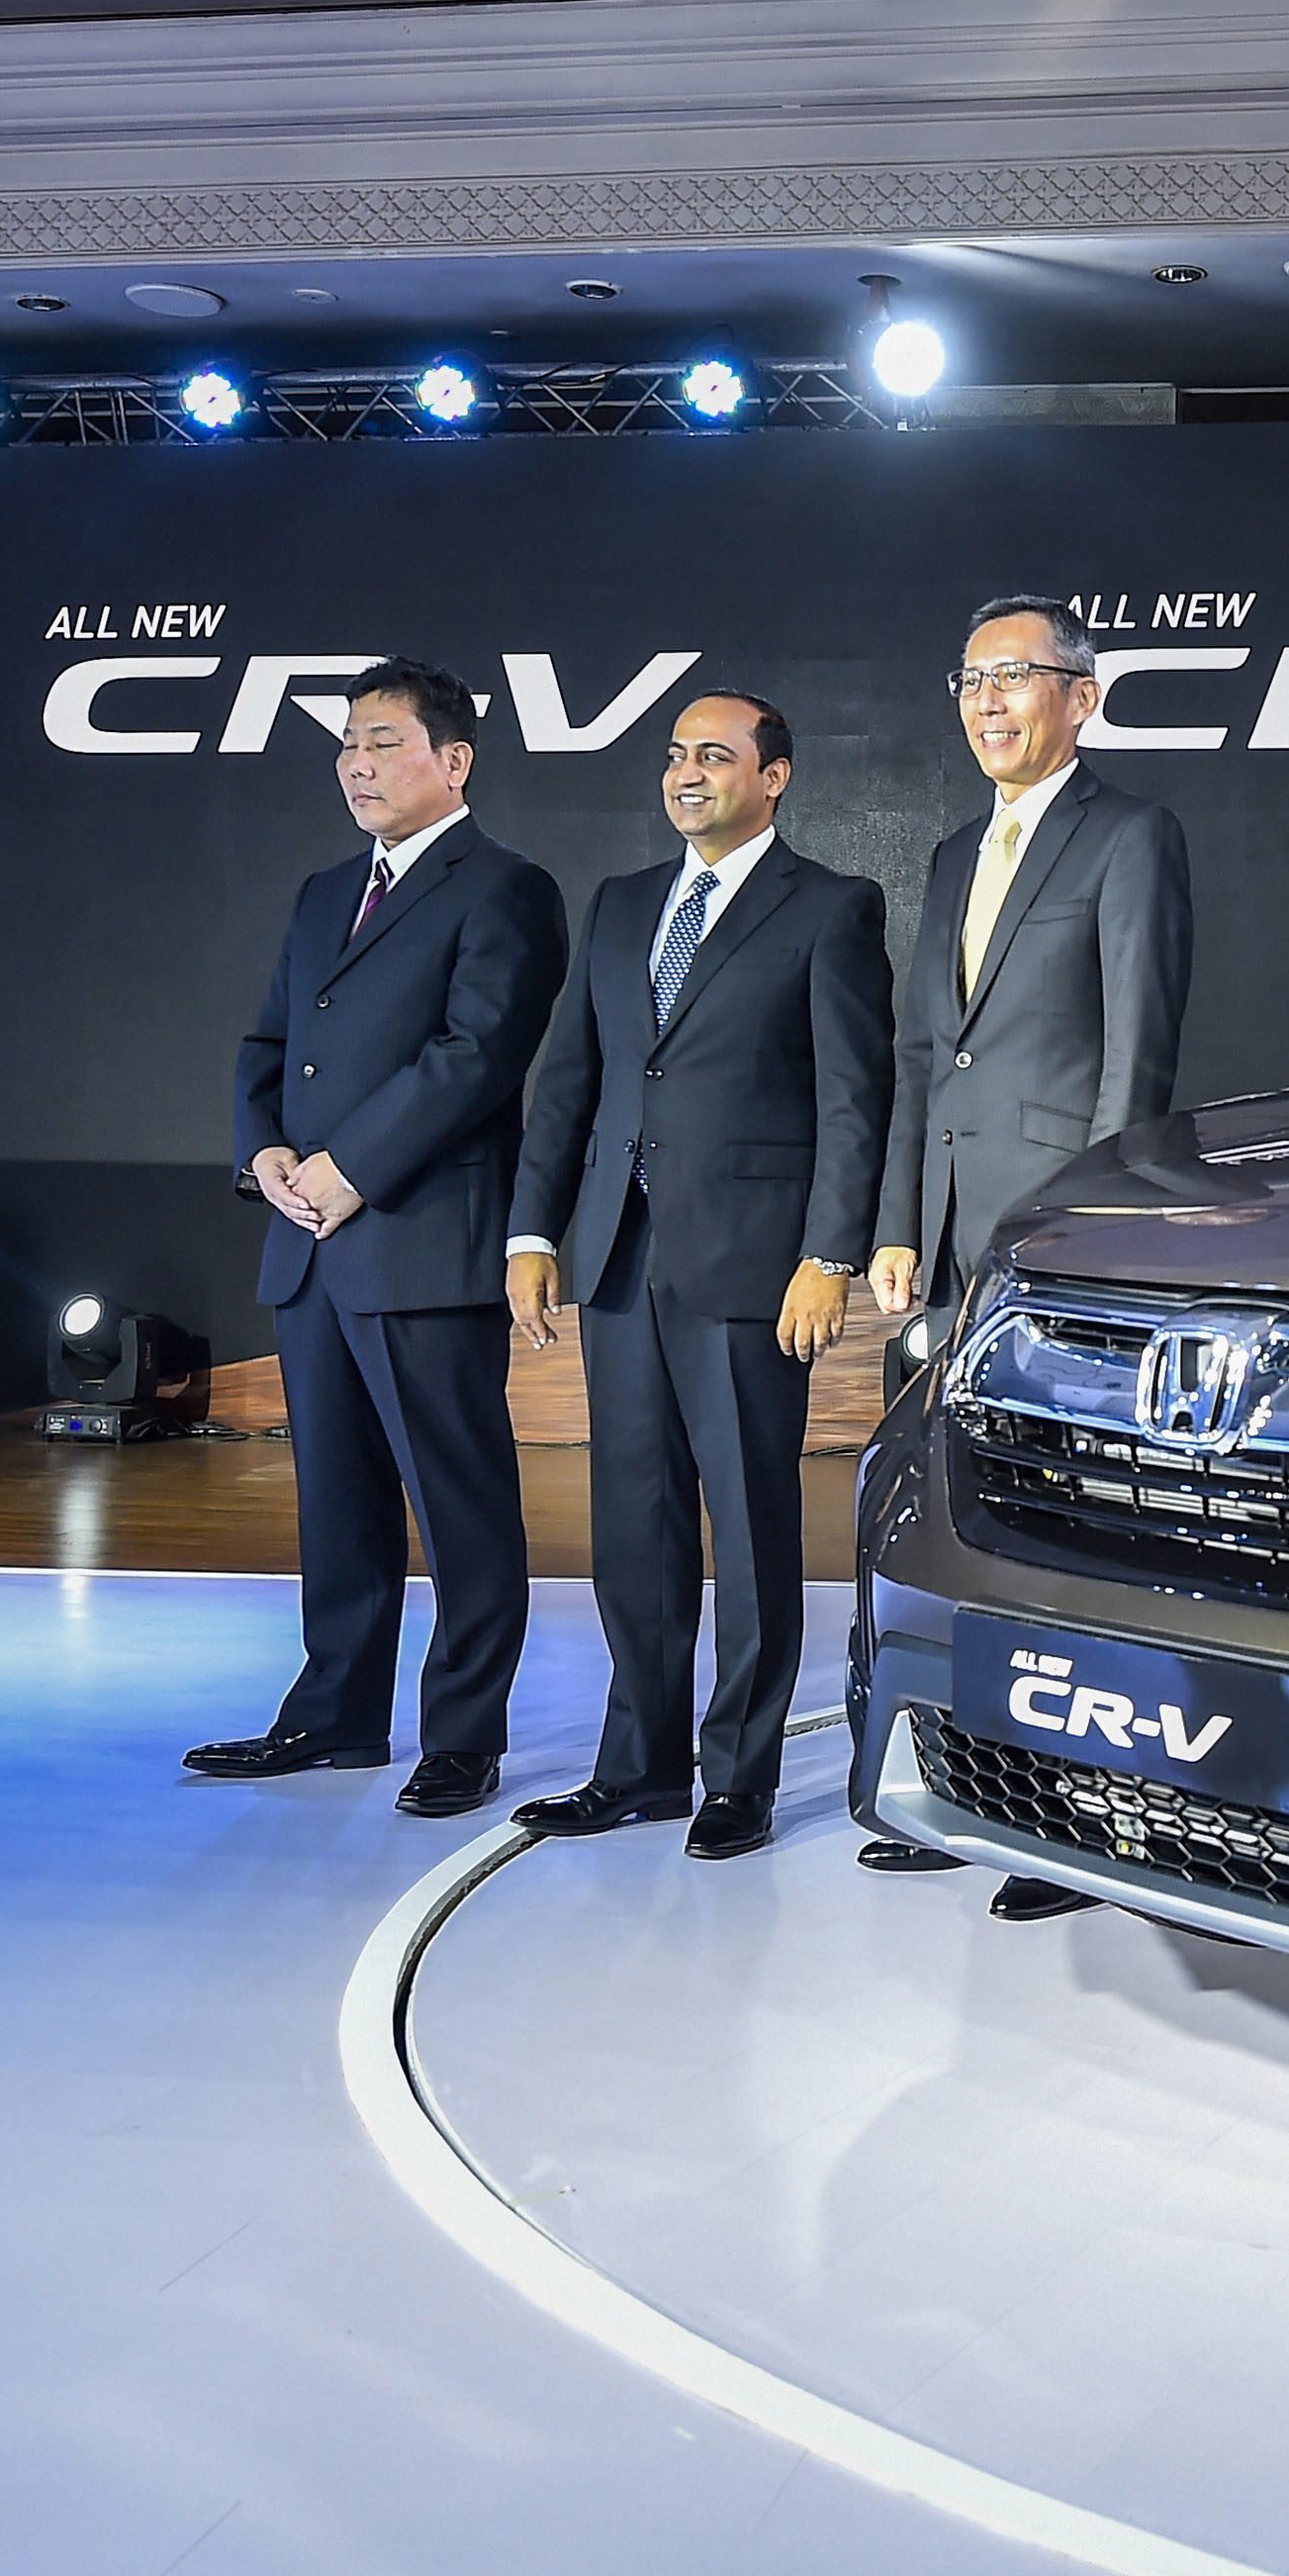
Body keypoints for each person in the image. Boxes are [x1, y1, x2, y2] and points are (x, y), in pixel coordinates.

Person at [504, 692, 894, 1860]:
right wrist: (534, 1234)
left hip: (750, 1269)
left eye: (714, 756)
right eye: (676, 755)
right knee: (635, 1527)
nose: (687, 773)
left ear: (774, 778)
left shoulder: (830, 907)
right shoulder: (622, 905)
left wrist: (827, 1257)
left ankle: (741, 1778)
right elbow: (567, 1083)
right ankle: (638, 1769)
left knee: (753, 1532)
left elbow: (851, 1101)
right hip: (619, 1264)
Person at [860, 596, 1195, 1915]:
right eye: (971, 677)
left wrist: (1092, 1235)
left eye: (1017, 675)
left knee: (1058, 1531)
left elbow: (1138, 1059)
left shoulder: (1130, 836)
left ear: (1082, 695)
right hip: (943, 1245)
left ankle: (1067, 1818)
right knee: (942, 1521)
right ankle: (957, 1787)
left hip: (1054, 1237)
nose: (988, 699)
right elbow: (918, 1058)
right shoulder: (951, 853)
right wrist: (897, 1220)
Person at [187, 661, 569, 1816]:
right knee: (336, 1502)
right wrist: (262, 1159)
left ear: (452, 763)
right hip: (307, 1244)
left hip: (415, 1239)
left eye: (384, 741)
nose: (357, 762)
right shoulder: (319, 894)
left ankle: (464, 1734)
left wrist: (348, 1171)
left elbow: (475, 1055)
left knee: (459, 1503)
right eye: (349, 742)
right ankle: (334, 1715)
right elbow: (265, 1048)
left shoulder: (505, 888)